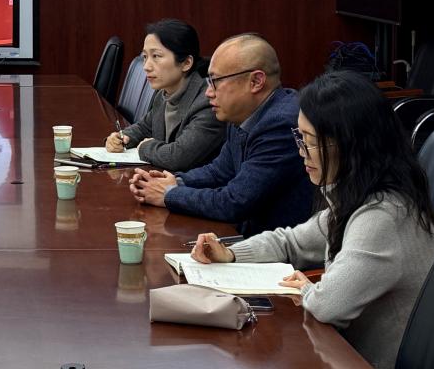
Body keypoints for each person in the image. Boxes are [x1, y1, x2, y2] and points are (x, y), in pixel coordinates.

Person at [189, 71, 434, 369]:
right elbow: (291, 242)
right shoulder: (357, 193)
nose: (301, 152)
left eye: (309, 141)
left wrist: (306, 290)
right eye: (299, 137)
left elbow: (327, 306)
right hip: (343, 352)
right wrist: (231, 253)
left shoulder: (382, 215)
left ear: (348, 144)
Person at [129, 33, 312, 236]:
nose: (208, 92)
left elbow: (235, 202)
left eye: (215, 81)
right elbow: (219, 171)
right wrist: (174, 181)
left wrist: (169, 194)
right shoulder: (241, 112)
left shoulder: (281, 124)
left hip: (274, 249)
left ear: (256, 81)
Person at [104, 19, 225, 171]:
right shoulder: (163, 94)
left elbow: (179, 157)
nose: (146, 66)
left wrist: (146, 148)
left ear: (186, 63)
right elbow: (144, 127)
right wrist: (121, 138)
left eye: (156, 56)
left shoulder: (208, 103)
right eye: (145, 57)